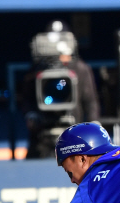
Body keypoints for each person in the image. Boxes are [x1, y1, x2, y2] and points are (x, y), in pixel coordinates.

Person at [22, 20, 100, 159]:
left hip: (73, 132)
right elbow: (26, 98)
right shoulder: (36, 70)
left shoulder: (80, 69)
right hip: (42, 134)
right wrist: (30, 115)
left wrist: (93, 125)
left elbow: (91, 100)